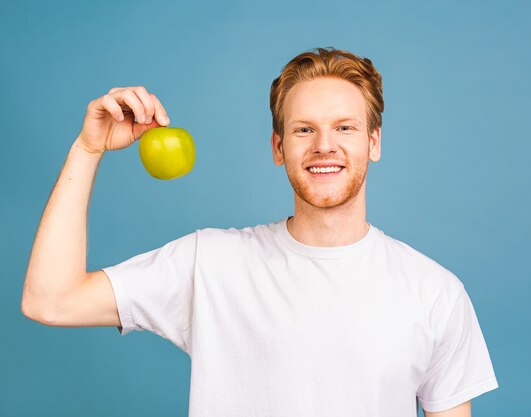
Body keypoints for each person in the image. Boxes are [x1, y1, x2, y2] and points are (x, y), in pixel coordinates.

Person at [22, 47, 498, 417]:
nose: (325, 145)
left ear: (373, 142)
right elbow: (50, 300)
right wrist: (89, 148)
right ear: (278, 147)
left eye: (346, 128)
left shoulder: (435, 292)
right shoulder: (210, 264)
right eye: (304, 130)